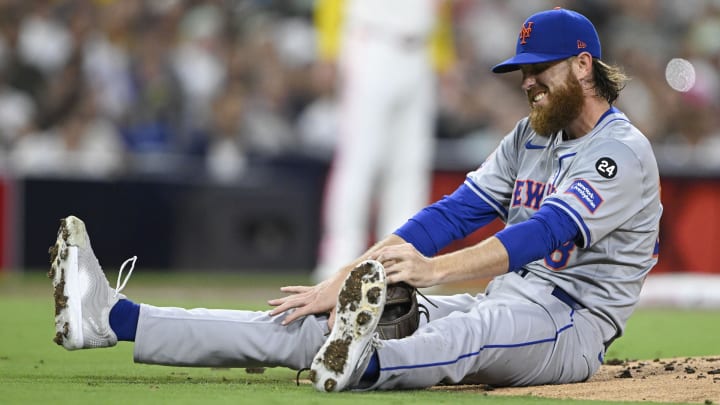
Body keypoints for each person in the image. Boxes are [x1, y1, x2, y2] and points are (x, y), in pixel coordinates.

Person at [50, 8, 661, 392]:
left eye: (539, 67)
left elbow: (544, 233)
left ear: (584, 67)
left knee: (473, 334)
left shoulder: (622, 151)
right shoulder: (530, 135)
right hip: (504, 296)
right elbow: (451, 215)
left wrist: (435, 272)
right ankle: (111, 319)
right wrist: (346, 280)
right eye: (521, 69)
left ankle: (363, 368)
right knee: (308, 321)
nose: (526, 80)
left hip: (569, 323)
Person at [311, 0, 456, 282]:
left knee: (410, 166)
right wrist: (328, 47)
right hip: (372, 42)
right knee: (359, 160)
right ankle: (338, 261)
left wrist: (442, 55)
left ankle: (401, 263)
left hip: (420, 50)